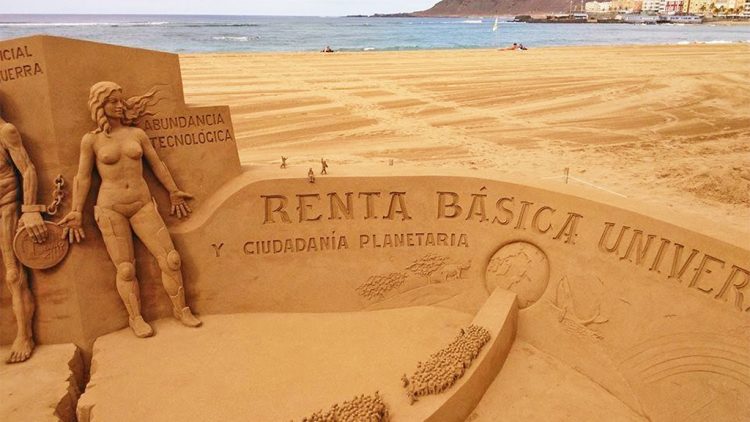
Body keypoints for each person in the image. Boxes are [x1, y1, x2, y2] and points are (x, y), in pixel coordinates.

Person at [60, 81, 201, 338]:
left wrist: (173, 191)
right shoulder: (91, 140)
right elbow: (83, 177)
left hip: (142, 203)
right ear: (100, 105)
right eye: (112, 101)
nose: (119, 105)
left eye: (120, 100)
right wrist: (77, 211)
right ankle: (136, 318)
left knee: (171, 259)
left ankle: (182, 310)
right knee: (125, 269)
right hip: (110, 208)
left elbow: (156, 164)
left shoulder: (136, 134)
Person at [0, 102, 47, 363]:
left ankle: (24, 335)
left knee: (13, 274)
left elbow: (27, 169)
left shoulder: (6, 131)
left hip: (5, 207)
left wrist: (29, 210)